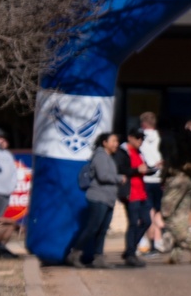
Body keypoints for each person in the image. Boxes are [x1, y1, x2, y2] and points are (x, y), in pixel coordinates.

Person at [66, 133, 124, 268]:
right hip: (98, 198)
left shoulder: (109, 157)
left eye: (117, 141)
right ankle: (74, 254)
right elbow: (103, 176)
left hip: (108, 199)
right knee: (92, 228)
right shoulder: (100, 156)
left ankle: (98, 258)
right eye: (114, 141)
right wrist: (119, 178)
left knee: (102, 229)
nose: (116, 144)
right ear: (105, 142)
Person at [160, 123, 191, 264]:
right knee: (181, 216)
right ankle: (176, 254)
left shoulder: (169, 139)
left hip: (176, 179)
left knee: (166, 214)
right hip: (189, 179)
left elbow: (168, 160)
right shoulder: (187, 139)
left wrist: (163, 177)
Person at [122, 128, 153, 267]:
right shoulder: (124, 152)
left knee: (147, 221)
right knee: (133, 223)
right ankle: (131, 254)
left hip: (142, 192)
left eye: (142, 138)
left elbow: (143, 169)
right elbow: (121, 170)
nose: (140, 141)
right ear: (130, 138)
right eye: (138, 138)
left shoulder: (139, 152)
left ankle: (130, 249)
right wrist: (136, 170)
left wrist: (153, 169)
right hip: (131, 193)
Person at [138, 112, 165, 253]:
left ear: (143, 124)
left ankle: (146, 240)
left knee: (147, 211)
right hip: (159, 178)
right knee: (158, 211)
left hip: (145, 178)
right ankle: (158, 239)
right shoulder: (160, 138)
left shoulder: (139, 138)